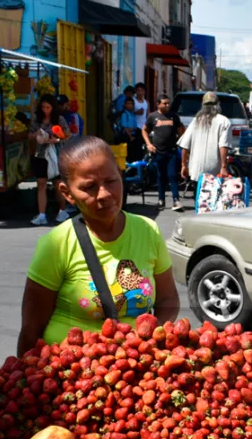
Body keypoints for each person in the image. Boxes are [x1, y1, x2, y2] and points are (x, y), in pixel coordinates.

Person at [18, 136, 181, 355]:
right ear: (67, 193)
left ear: (121, 175)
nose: (104, 194)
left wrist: (147, 341)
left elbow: (168, 299)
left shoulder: (148, 231)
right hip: (71, 373)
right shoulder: (56, 244)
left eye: (111, 181)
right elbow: (31, 330)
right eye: (89, 187)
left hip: (133, 371)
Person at [177, 92, 231, 212]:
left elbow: (185, 145)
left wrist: (183, 165)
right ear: (218, 105)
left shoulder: (196, 120)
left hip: (196, 171)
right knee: (214, 202)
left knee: (200, 201)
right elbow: (223, 145)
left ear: (203, 105)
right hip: (214, 170)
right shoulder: (224, 121)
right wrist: (223, 167)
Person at [30, 94, 71, 226]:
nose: (45, 110)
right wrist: (36, 135)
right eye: (43, 107)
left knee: (58, 184)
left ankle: (62, 210)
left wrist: (56, 140)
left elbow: (67, 135)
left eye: (48, 107)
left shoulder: (59, 119)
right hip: (41, 155)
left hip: (56, 155)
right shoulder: (37, 120)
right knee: (41, 183)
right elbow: (29, 135)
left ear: (53, 107)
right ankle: (42, 214)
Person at [143, 93, 185, 210]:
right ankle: (161, 200)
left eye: (168, 103)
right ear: (158, 104)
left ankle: (176, 200)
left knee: (172, 175)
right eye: (164, 103)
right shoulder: (152, 117)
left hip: (171, 151)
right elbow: (144, 130)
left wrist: (181, 144)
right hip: (158, 152)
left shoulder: (174, 116)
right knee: (161, 176)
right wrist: (149, 144)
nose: (167, 105)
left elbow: (180, 131)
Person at [117, 97, 142, 162]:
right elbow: (125, 128)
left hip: (134, 135)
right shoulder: (124, 114)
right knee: (128, 154)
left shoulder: (132, 114)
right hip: (127, 137)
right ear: (125, 105)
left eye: (131, 103)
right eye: (128, 103)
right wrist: (130, 136)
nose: (129, 105)